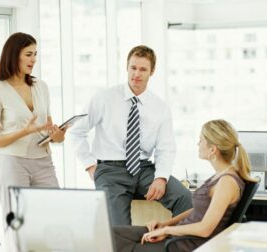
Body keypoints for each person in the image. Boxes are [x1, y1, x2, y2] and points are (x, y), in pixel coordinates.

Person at [69, 45, 192, 226]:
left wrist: (161, 177)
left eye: (143, 69)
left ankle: (175, 244)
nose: (137, 74)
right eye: (133, 68)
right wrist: (89, 166)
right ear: (127, 67)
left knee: (185, 199)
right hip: (110, 171)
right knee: (119, 230)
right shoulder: (104, 98)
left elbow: (165, 148)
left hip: (143, 169)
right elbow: (76, 132)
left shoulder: (159, 107)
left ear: (152, 72)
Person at [114, 119, 257, 252]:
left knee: (120, 245)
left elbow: (205, 229)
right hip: (178, 235)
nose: (198, 144)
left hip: (186, 244)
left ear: (213, 149)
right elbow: (198, 210)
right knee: (113, 234)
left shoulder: (227, 182)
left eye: (201, 141)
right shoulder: (220, 176)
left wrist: (166, 231)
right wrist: (166, 224)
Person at [0, 32, 66, 251]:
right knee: (17, 228)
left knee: (55, 219)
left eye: (35, 54)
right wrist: (23, 132)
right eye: (28, 54)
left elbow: (50, 128)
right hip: (14, 164)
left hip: (43, 162)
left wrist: (58, 135)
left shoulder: (42, 86)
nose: (33, 60)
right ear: (14, 55)